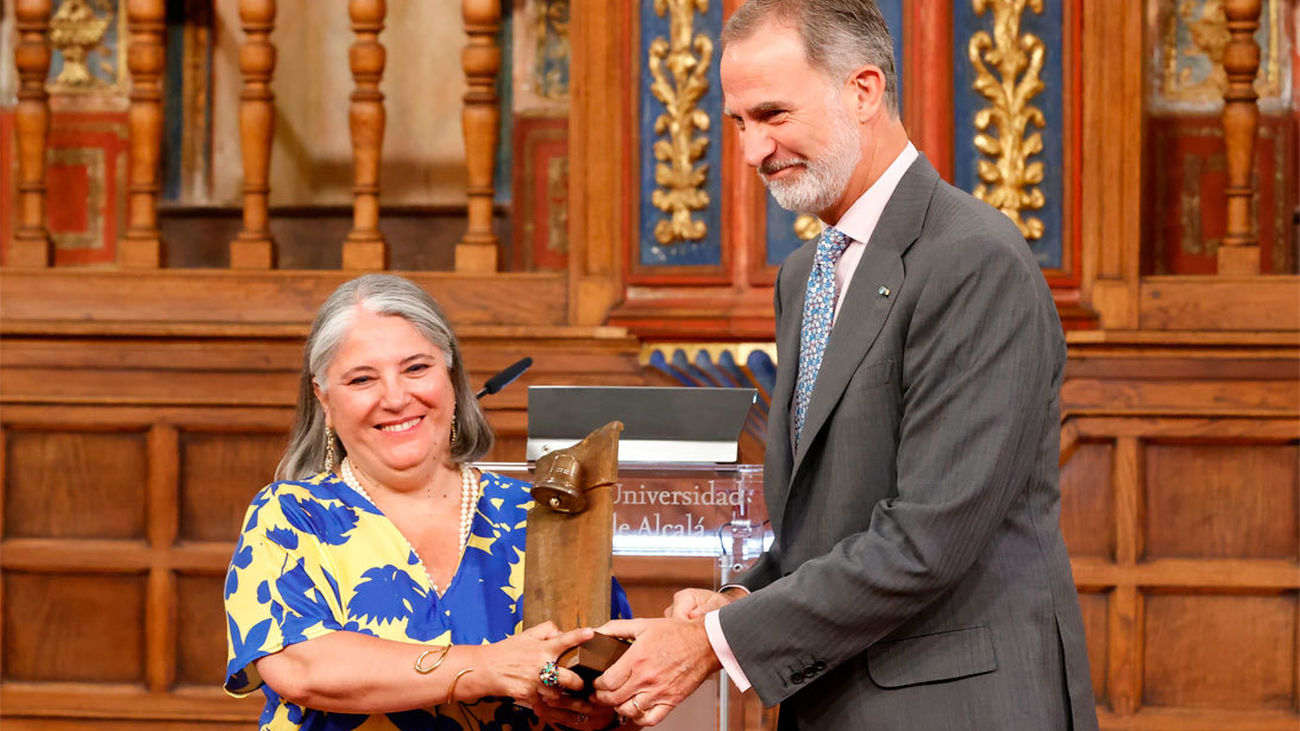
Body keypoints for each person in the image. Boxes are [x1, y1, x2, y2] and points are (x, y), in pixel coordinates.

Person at [591, 2, 1099, 730]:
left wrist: (715, 641)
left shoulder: (973, 258)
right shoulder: (807, 272)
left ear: (863, 91)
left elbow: (928, 538)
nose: (752, 151)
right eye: (738, 123)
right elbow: (830, 521)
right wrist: (739, 600)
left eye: (772, 114)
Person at [223, 274, 629, 730]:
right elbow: (302, 668)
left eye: (416, 368)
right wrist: (486, 668)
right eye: (362, 379)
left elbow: (611, 686)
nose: (396, 398)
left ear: (451, 377)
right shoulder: (290, 514)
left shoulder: (537, 515)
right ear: (325, 400)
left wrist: (596, 708)